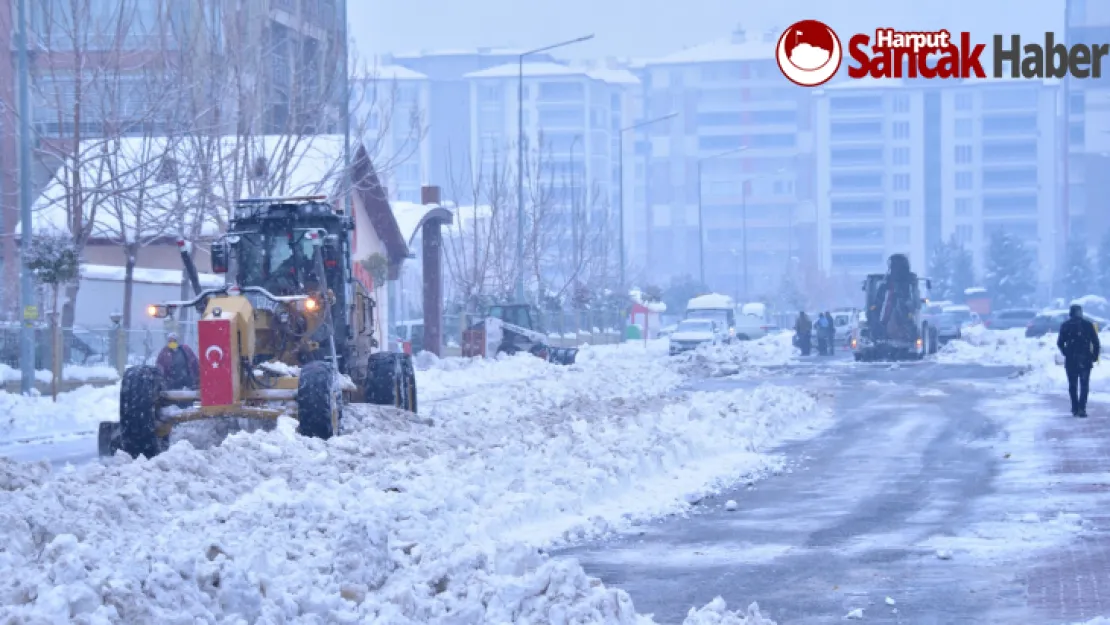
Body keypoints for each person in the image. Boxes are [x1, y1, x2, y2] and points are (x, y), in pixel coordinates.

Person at [1057, 304, 1100, 417]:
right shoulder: (1088, 325)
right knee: (1084, 384)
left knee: (1073, 385)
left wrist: (1066, 352)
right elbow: (1096, 342)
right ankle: (1081, 408)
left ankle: (1075, 407)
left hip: (1071, 359)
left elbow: (1060, 343)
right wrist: (1094, 356)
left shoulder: (1066, 326)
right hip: (1085, 358)